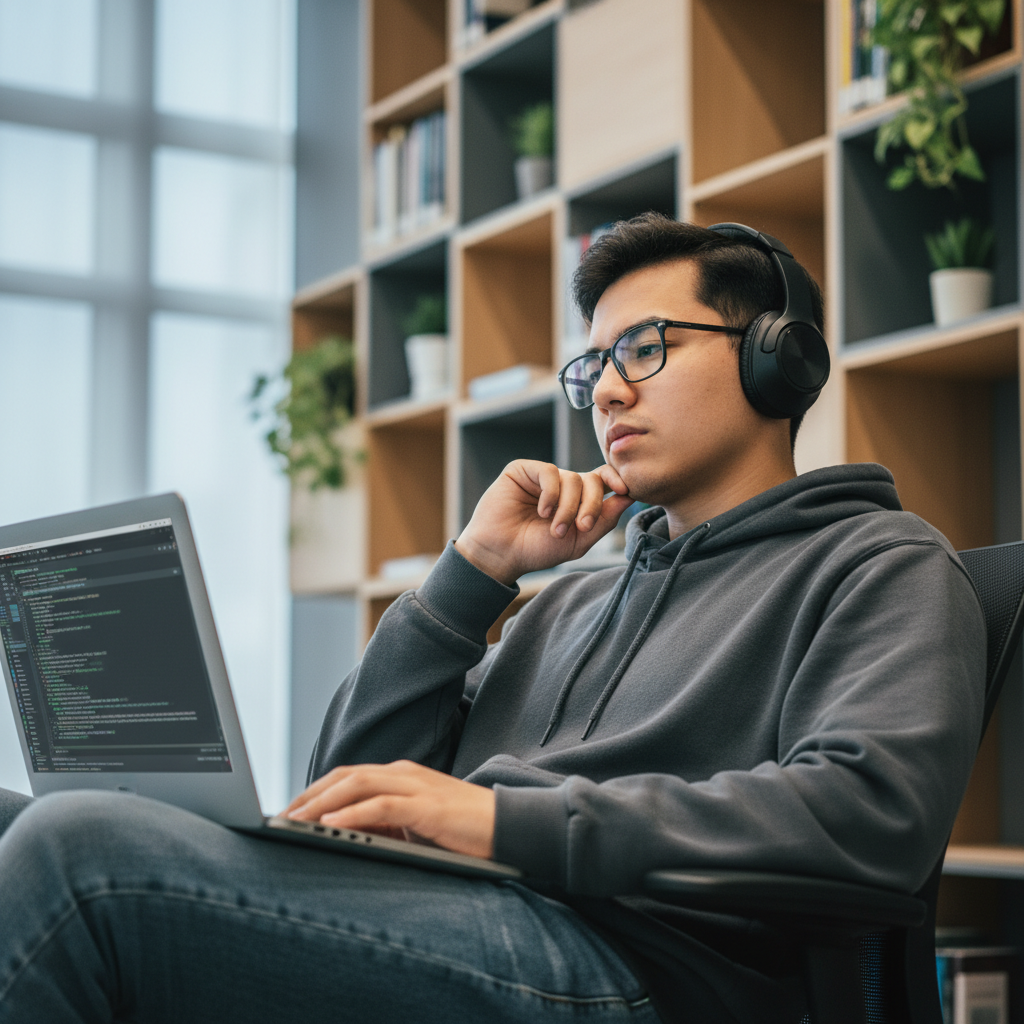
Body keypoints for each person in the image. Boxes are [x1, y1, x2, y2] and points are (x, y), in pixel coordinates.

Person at [0, 215, 985, 1024]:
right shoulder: (569, 603)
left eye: (645, 347)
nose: (607, 388)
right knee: (30, 823)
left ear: (778, 361)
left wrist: (500, 819)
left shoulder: (877, 561)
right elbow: (344, 782)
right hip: (461, 923)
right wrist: (470, 575)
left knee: (82, 854)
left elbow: (870, 814)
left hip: (642, 969)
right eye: (594, 364)